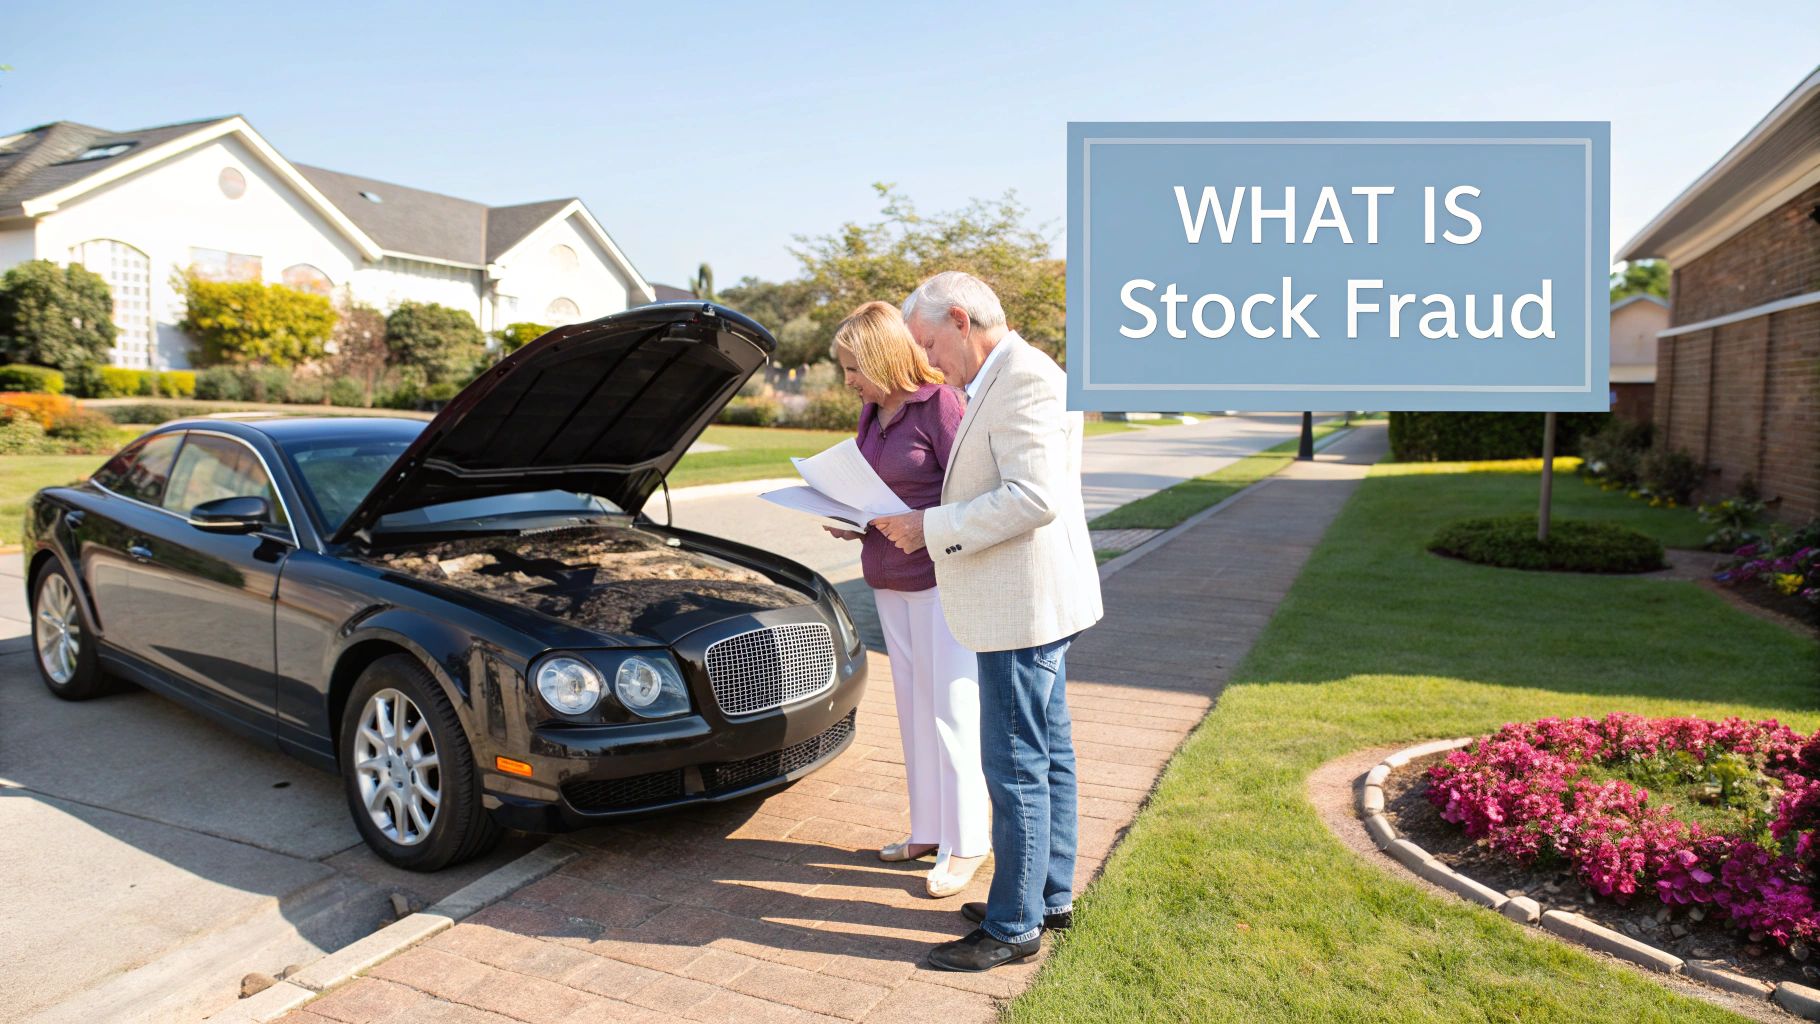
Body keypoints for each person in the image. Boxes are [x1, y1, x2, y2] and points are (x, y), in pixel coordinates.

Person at [874, 271, 1103, 972]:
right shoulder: (1007, 374)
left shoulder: (1025, 377)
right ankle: (1046, 897)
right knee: (1047, 753)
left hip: (1021, 602)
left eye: (930, 342)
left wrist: (930, 526)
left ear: (961, 317)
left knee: (1014, 765)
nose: (930, 360)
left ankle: (1011, 927)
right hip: (1031, 596)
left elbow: (1032, 497)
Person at [825, 301, 991, 898]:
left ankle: (968, 840)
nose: (848, 381)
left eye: (852, 368)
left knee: (951, 712)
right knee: (914, 712)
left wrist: (918, 520)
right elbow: (872, 489)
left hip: (938, 581)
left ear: (881, 357)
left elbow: (973, 493)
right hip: (888, 579)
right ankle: (927, 829)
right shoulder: (873, 413)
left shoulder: (941, 405)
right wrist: (848, 517)